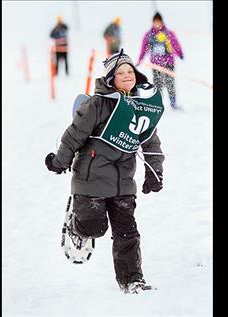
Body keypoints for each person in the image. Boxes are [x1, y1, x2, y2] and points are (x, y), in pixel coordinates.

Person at [45, 49, 165, 294]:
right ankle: (75, 223)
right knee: (94, 228)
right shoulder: (97, 104)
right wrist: (59, 162)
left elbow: (151, 142)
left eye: (130, 71)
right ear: (111, 78)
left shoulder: (141, 107)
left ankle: (132, 281)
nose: (126, 76)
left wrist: (155, 172)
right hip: (91, 178)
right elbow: (73, 135)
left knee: (127, 233)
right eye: (120, 73)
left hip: (123, 183)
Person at [137, 12, 184, 109]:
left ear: (162, 22)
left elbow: (175, 44)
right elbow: (144, 48)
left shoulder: (168, 33)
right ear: (153, 22)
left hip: (168, 63)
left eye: (159, 22)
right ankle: (158, 105)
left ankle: (173, 104)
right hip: (156, 64)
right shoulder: (149, 35)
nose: (157, 24)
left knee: (170, 83)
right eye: (155, 22)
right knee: (158, 85)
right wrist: (140, 59)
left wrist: (180, 54)